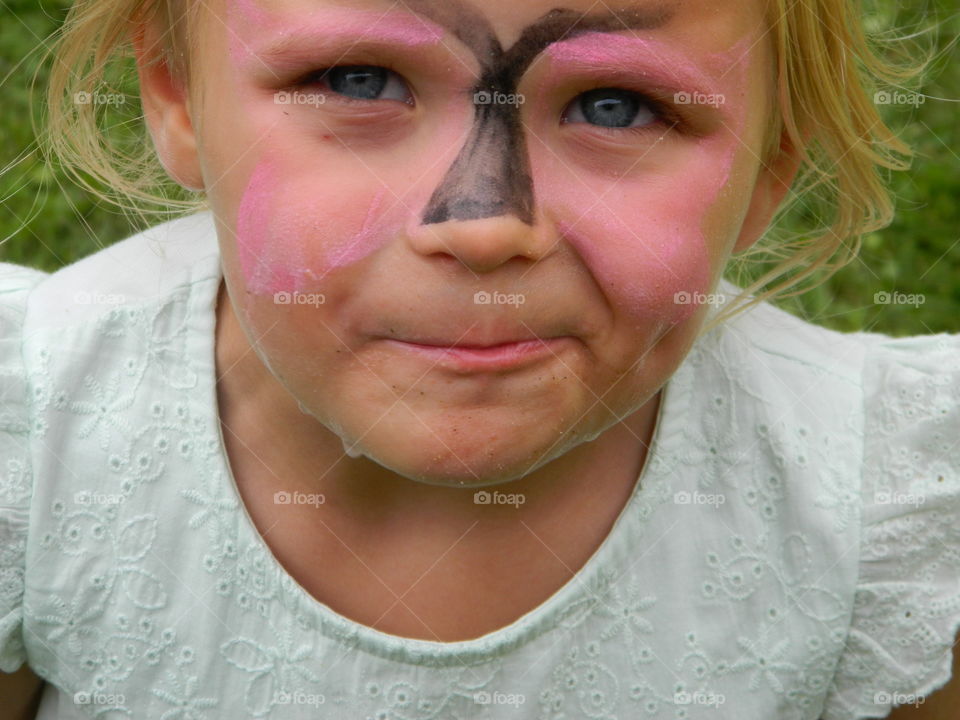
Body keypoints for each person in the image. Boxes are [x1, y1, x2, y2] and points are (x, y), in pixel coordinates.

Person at [1, 0, 957, 717]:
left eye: (616, 105)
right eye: (358, 81)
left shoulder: (876, 511)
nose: (487, 224)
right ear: (174, 93)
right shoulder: (37, 433)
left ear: (771, 159)